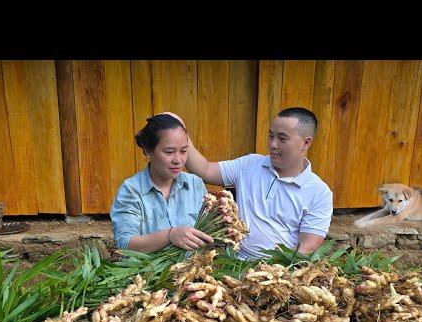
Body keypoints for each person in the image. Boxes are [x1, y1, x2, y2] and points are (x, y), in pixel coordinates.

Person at [164, 107, 333, 259]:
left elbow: (307, 247)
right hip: (233, 263)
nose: (273, 144)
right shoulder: (250, 165)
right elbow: (205, 169)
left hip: (277, 274)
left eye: (282, 139)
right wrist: (181, 132)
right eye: (271, 136)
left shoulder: (319, 192)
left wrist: (272, 274)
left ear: (306, 143)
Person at [110, 114, 214, 253]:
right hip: (147, 272)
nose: (178, 160)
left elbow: (207, 233)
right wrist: (169, 236)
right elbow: (125, 243)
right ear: (148, 150)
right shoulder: (131, 190)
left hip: (192, 271)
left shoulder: (195, 185)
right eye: (169, 152)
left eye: (183, 151)